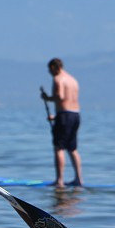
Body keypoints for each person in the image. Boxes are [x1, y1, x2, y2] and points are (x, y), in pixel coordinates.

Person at [40, 58, 84, 187]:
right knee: (72, 148)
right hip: (75, 115)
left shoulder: (58, 79)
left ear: (55, 67)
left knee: (59, 148)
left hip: (64, 116)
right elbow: (69, 101)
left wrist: (47, 98)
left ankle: (59, 181)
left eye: (50, 69)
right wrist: (57, 117)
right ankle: (78, 179)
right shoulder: (73, 80)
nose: (49, 72)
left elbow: (61, 97)